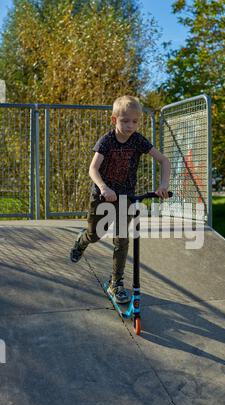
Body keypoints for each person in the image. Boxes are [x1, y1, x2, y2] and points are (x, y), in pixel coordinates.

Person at [70, 95, 171, 304]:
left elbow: (163, 160)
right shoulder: (106, 141)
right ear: (114, 120)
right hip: (103, 195)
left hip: (127, 196)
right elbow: (93, 169)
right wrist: (104, 187)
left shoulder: (138, 140)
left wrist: (163, 185)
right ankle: (82, 241)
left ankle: (116, 282)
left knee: (122, 239)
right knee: (95, 234)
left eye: (134, 121)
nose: (130, 125)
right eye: (125, 121)